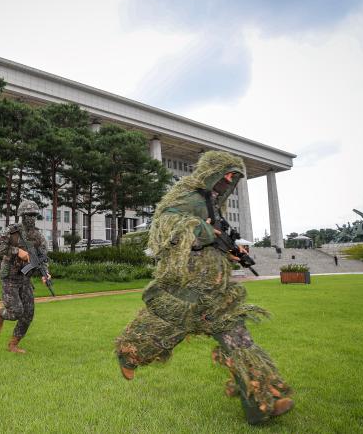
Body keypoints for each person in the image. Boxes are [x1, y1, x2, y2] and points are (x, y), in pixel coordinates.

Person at [115, 150, 293, 425]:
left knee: (239, 340)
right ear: (212, 173)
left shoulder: (213, 205)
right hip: (186, 287)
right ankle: (128, 353)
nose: (231, 180)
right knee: (161, 330)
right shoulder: (186, 194)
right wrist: (204, 231)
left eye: (235, 177)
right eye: (227, 174)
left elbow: (211, 239)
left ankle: (263, 399)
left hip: (216, 293)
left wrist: (229, 252)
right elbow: (165, 225)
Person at [0, 200, 51, 354]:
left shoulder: (38, 237)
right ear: (21, 215)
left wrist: (45, 274)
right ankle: (0, 313)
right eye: (27, 215)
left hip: (25, 278)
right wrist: (17, 251)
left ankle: (13, 345)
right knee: (16, 311)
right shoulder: (12, 232)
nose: (31, 218)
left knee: (28, 314)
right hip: (10, 277)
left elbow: (42, 258)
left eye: (33, 215)